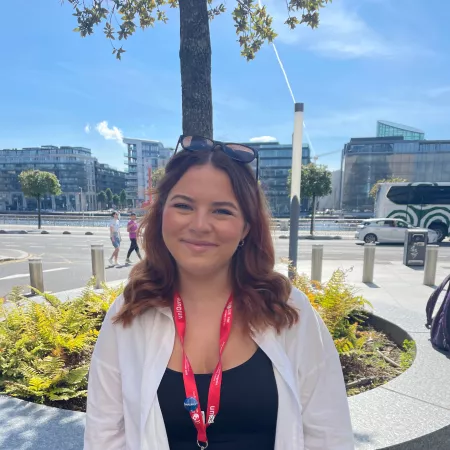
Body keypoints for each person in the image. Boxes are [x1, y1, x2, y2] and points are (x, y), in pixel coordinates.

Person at [85, 135, 354, 450]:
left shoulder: (286, 310)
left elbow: (329, 433)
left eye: (222, 211)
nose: (200, 225)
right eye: (184, 206)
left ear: (246, 227)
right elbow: (105, 435)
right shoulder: (130, 312)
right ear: (161, 215)